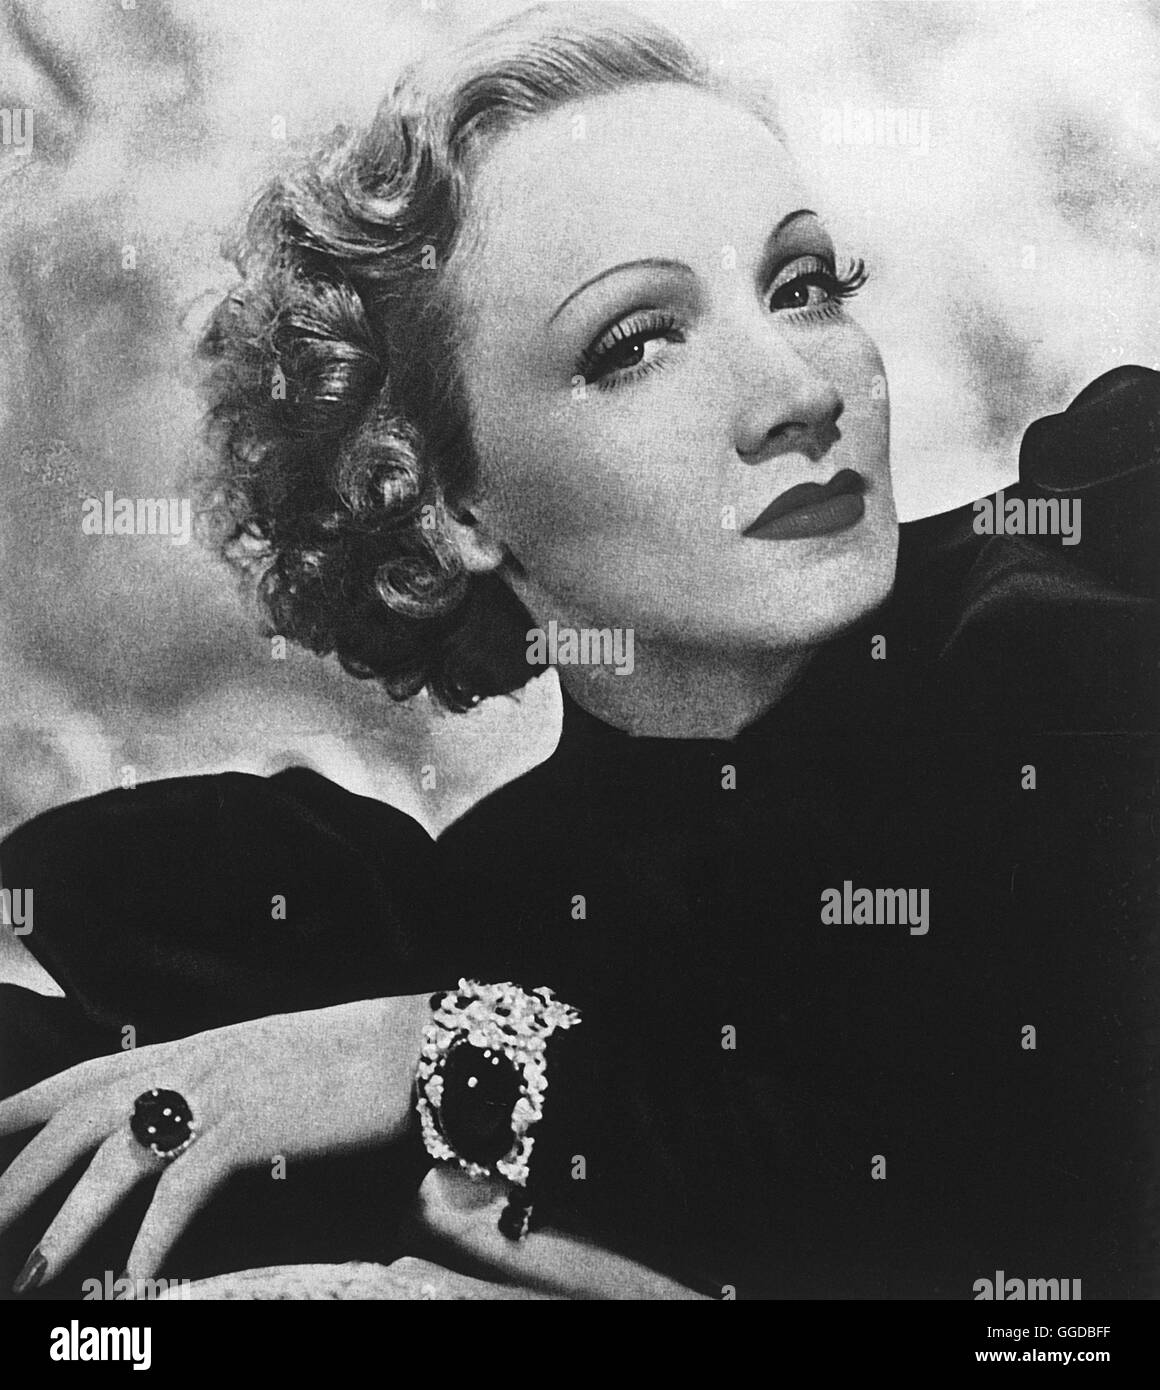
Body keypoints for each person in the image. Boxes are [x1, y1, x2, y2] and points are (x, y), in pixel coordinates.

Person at [1, 3, 1156, 1300]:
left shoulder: (1085, 620)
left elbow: (1020, 1167)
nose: (802, 392)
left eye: (803, 287)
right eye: (636, 343)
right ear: (443, 505)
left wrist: (434, 1060)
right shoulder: (476, 914)